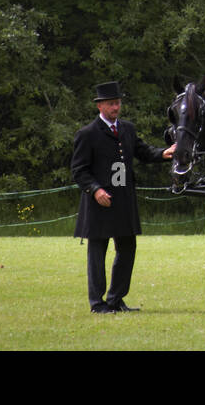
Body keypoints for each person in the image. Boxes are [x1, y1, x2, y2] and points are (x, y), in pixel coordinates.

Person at [72, 80, 175, 313]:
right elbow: (79, 170)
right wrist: (95, 189)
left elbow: (144, 152)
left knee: (127, 250)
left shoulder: (127, 128)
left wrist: (164, 153)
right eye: (110, 104)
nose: (115, 108)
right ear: (99, 106)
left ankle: (116, 299)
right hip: (99, 203)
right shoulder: (87, 134)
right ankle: (98, 304)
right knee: (97, 254)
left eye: (117, 103)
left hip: (124, 201)